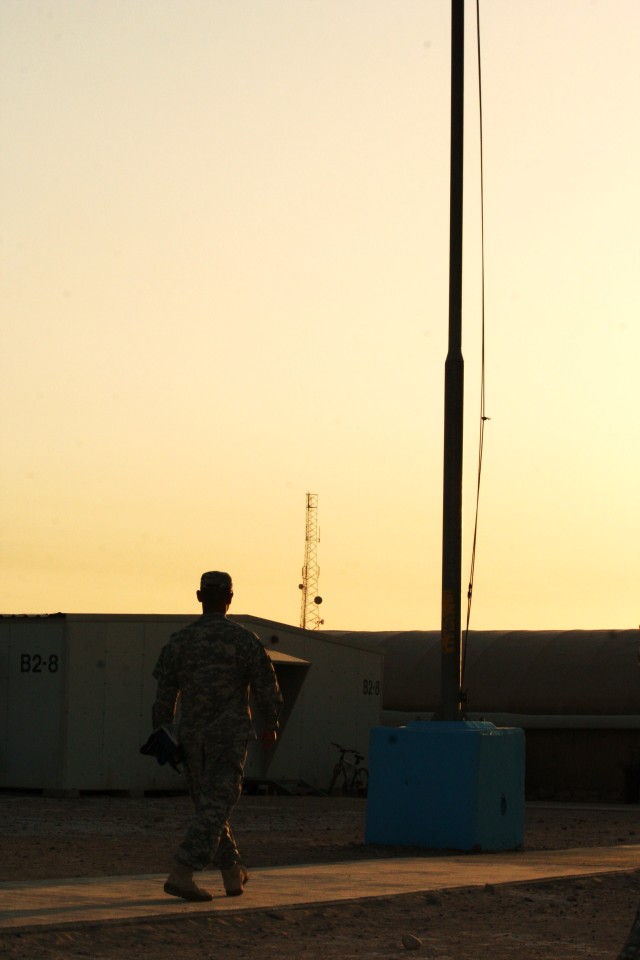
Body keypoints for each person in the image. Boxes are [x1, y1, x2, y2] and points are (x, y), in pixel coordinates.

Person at [151, 570, 283, 902]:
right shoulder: (243, 639)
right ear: (230, 599)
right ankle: (182, 872)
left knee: (209, 807)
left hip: (191, 739)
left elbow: (164, 696)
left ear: (199, 597)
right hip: (228, 737)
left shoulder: (179, 641)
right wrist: (271, 724)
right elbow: (267, 687)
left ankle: (231, 871)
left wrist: (164, 733)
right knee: (217, 805)